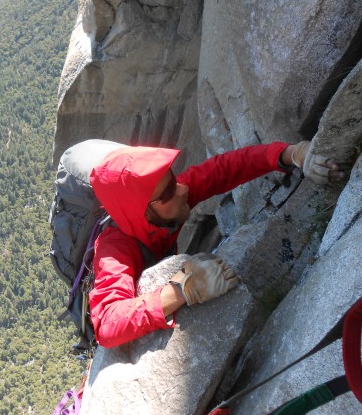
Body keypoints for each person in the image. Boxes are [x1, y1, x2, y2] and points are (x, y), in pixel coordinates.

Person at [88, 141, 345, 348]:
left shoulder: (165, 206)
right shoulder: (114, 251)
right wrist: (180, 290)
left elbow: (224, 169)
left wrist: (290, 153)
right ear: (143, 213)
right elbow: (107, 324)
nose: (181, 190)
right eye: (168, 192)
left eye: (173, 180)